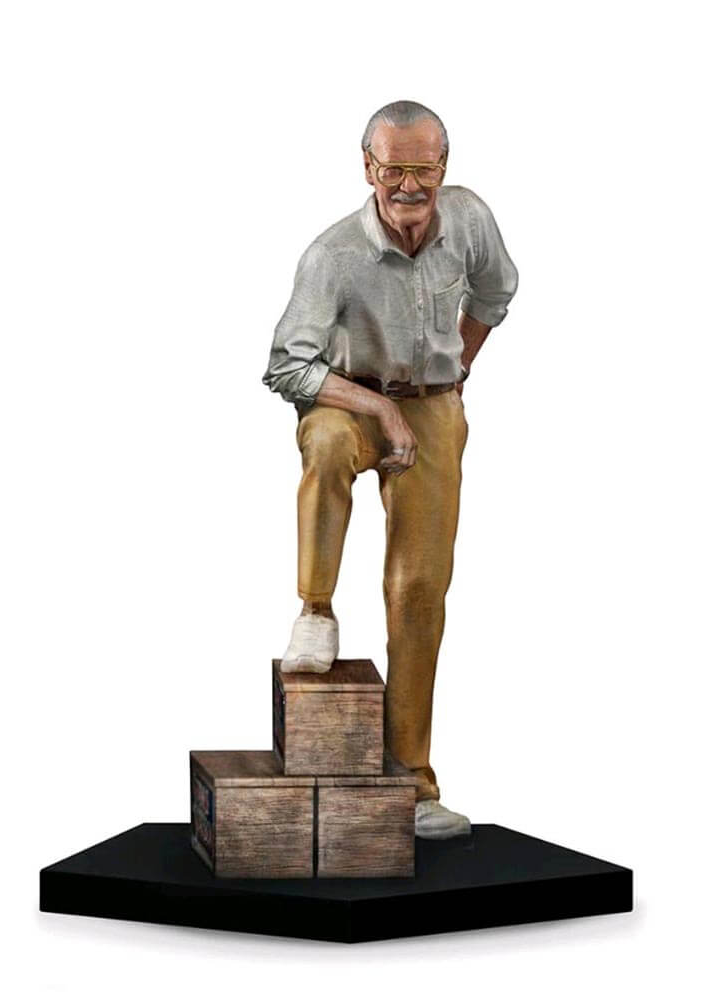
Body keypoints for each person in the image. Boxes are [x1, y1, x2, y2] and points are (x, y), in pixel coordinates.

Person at [262, 100, 518, 839]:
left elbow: (497, 292)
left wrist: (459, 368)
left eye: (423, 168)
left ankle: (412, 780)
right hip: (350, 399)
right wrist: (379, 409)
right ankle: (315, 610)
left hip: (431, 403)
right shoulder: (333, 255)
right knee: (325, 445)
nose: (409, 184)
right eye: (393, 168)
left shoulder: (469, 221)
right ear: (368, 167)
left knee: (419, 590)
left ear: (444, 166)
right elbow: (286, 366)